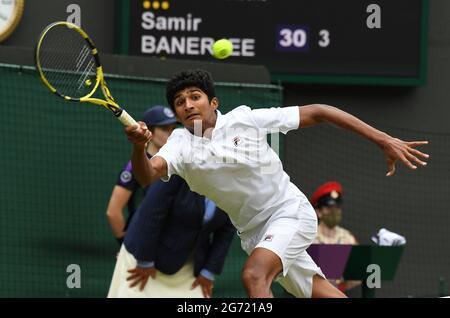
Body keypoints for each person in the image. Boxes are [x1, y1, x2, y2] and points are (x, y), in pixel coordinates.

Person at [124, 69, 429, 298]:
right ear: (176, 114)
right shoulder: (179, 144)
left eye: (195, 97)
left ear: (213, 102)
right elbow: (147, 176)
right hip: (254, 234)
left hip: (289, 212)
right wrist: (139, 147)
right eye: (180, 102)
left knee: (254, 276)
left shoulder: (245, 119)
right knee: (320, 291)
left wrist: (383, 139)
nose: (188, 104)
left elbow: (319, 111)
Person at [107, 174, 235, 298]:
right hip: (143, 259)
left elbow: (227, 229)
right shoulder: (178, 166)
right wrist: (144, 261)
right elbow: (151, 213)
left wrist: (209, 272)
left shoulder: (236, 184)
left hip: (190, 269)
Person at [106, 105, 177, 245]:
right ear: (149, 131)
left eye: (173, 128)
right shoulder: (133, 167)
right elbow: (113, 212)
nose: (170, 133)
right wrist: (126, 246)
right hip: (142, 242)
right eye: (164, 129)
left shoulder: (176, 162)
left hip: (170, 245)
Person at [311, 181, 360, 293]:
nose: (334, 212)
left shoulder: (348, 238)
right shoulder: (308, 237)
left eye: (337, 207)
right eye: (329, 207)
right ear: (318, 212)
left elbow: (358, 273)